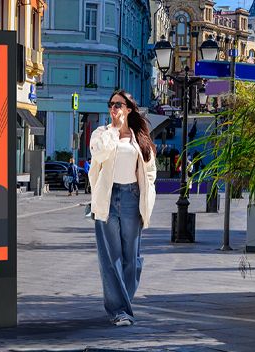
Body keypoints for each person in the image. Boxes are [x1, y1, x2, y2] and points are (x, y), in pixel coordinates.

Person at [88, 89, 157, 327]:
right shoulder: (101, 134)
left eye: (119, 105)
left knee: (133, 260)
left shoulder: (140, 139)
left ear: (129, 108)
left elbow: (149, 172)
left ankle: (123, 303)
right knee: (111, 258)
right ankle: (119, 311)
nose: (114, 108)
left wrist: (148, 195)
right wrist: (115, 129)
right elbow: (100, 153)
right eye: (111, 104)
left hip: (131, 197)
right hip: (108, 197)